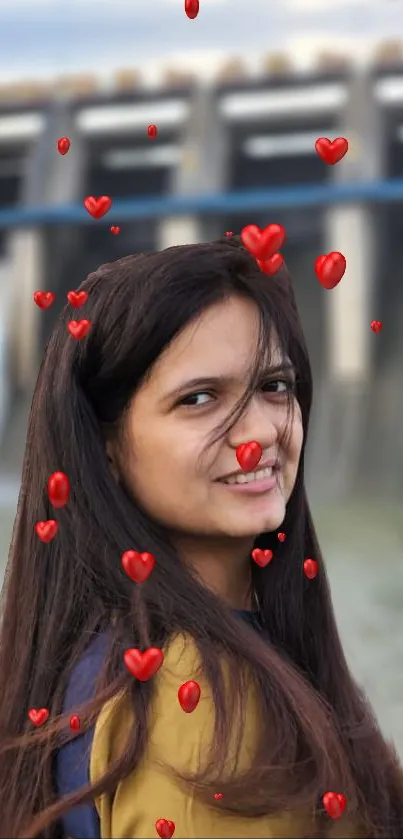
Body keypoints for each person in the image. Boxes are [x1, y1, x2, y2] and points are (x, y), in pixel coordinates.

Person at [0, 235, 402, 839]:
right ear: (105, 449)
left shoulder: (100, 653)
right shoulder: (200, 698)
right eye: (200, 398)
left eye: (274, 386)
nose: (260, 432)